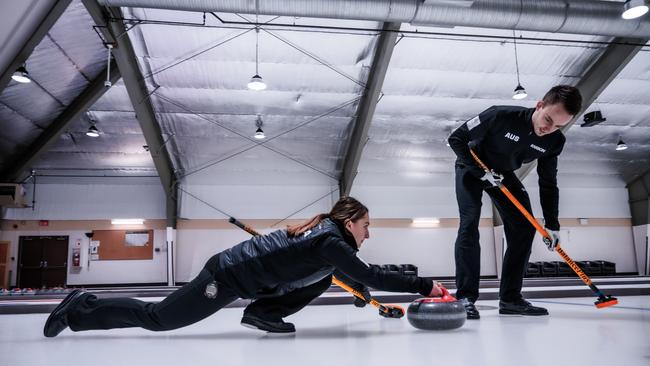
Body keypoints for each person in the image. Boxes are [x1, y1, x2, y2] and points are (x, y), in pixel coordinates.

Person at [43, 196, 443, 337]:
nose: (368, 234)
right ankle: (81, 309)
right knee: (159, 318)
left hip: (245, 279)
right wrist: (425, 286)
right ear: (350, 221)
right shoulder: (330, 240)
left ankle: (263, 314)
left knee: (326, 277)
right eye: (367, 226)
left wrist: (370, 285)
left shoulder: (327, 237)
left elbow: (355, 272)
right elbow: (366, 272)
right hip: (226, 277)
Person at [447, 85, 582, 319]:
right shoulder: (500, 115)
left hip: (502, 174)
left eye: (558, 126)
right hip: (472, 166)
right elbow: (456, 139)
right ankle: (466, 298)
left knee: (524, 228)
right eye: (548, 119)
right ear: (539, 105)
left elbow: (548, 183)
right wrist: (480, 172)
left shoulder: (554, 141)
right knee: (469, 223)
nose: (548, 129)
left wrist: (552, 224)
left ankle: (510, 299)